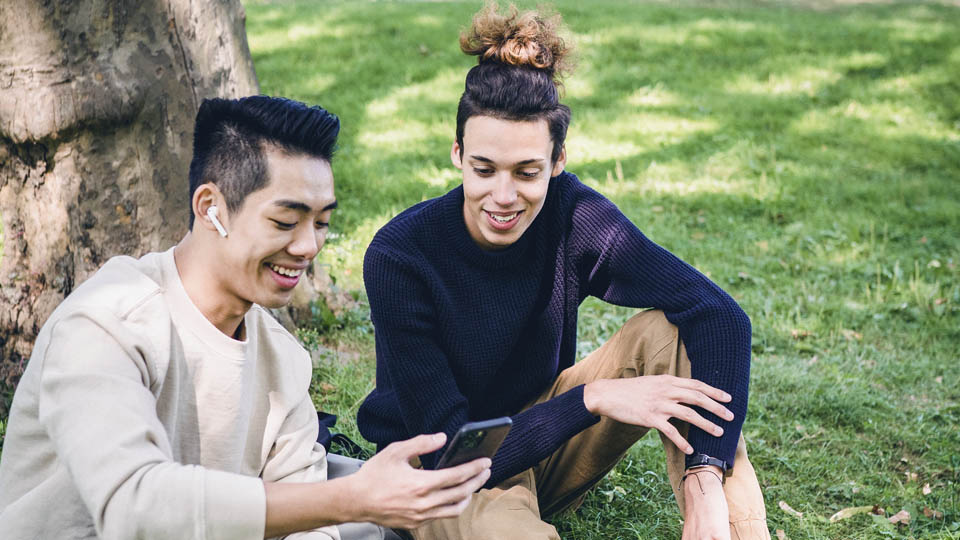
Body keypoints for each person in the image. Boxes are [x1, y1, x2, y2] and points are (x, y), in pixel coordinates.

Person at [356, 4, 770, 540]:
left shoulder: (573, 216)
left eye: (527, 172)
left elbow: (719, 315)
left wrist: (705, 474)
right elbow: (451, 451)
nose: (502, 197)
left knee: (668, 331)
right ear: (458, 154)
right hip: (445, 472)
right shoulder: (400, 256)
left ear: (558, 161)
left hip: (541, 439)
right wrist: (591, 400)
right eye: (483, 170)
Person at [0, 96, 491, 540]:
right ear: (211, 208)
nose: (307, 247)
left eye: (321, 223)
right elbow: (134, 505)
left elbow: (310, 521)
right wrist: (347, 499)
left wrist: (342, 510)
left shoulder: (282, 361)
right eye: (285, 222)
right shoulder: (107, 323)